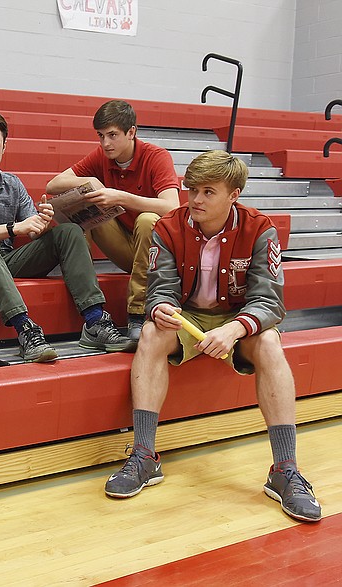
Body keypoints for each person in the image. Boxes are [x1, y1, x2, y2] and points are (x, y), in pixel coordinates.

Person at [103, 150, 322, 523]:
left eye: (208, 192)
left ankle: (285, 470)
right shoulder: (168, 226)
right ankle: (144, 457)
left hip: (237, 319)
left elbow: (270, 302)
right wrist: (159, 308)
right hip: (187, 317)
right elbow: (159, 290)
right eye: (192, 190)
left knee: (269, 341)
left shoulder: (259, 229)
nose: (196, 200)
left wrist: (235, 328)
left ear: (233, 195)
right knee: (153, 333)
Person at [0, 110, 132, 362]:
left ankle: (95, 321)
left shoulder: (13, 184)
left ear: (5, 147)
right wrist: (13, 228)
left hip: (4, 262)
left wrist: (46, 219)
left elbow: (33, 228)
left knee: (69, 231)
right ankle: (25, 328)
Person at [46, 100, 181, 345]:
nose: (105, 143)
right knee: (86, 209)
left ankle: (137, 315)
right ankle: (91, 309)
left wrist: (121, 197)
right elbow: (52, 185)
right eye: (100, 136)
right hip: (127, 247)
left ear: (132, 132)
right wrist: (89, 182)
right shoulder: (102, 156)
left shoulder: (156, 157)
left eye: (112, 135)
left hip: (159, 254)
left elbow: (172, 206)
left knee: (148, 219)